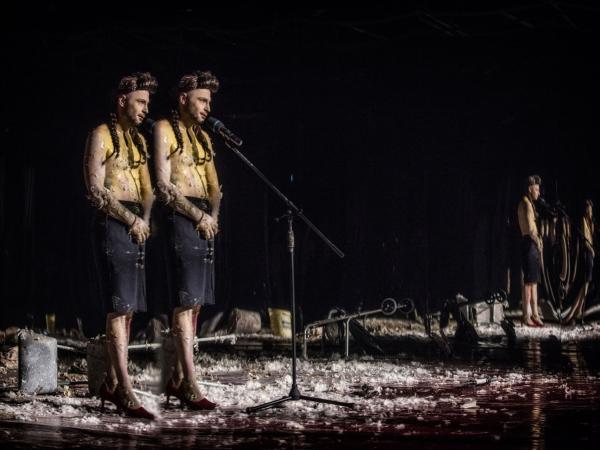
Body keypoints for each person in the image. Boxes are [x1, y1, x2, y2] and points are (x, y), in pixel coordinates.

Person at [84, 72, 157, 419]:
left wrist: (144, 217)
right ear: (121, 100)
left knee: (128, 312)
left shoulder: (140, 142)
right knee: (118, 308)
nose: (145, 109)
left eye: (147, 103)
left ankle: (112, 383)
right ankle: (124, 390)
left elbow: (147, 188)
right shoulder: (101, 135)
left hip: (135, 227)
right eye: (140, 102)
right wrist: (130, 220)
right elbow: (96, 190)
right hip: (113, 225)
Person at [153, 70, 221, 410]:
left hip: (205, 220)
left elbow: (215, 186)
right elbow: (164, 185)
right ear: (184, 98)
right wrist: (198, 216)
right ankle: (190, 384)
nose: (208, 107)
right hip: (181, 218)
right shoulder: (164, 129)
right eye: (202, 100)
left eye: (210, 101)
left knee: (196, 305)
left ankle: (178, 378)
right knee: (184, 301)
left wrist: (214, 217)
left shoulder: (205, 138)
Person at [517, 175, 544, 327]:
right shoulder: (526, 204)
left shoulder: (527, 203)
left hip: (530, 244)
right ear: (530, 189)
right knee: (528, 283)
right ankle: (526, 316)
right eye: (537, 189)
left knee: (534, 281)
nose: (538, 192)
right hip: (529, 244)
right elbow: (530, 229)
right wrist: (539, 242)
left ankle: (534, 314)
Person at [563, 200, 595, 325]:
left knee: (586, 286)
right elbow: (586, 240)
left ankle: (577, 314)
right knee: (584, 286)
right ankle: (574, 314)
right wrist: (592, 250)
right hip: (587, 254)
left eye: (591, 209)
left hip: (590, 255)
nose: (590, 211)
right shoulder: (583, 220)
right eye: (588, 208)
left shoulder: (589, 222)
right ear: (585, 209)